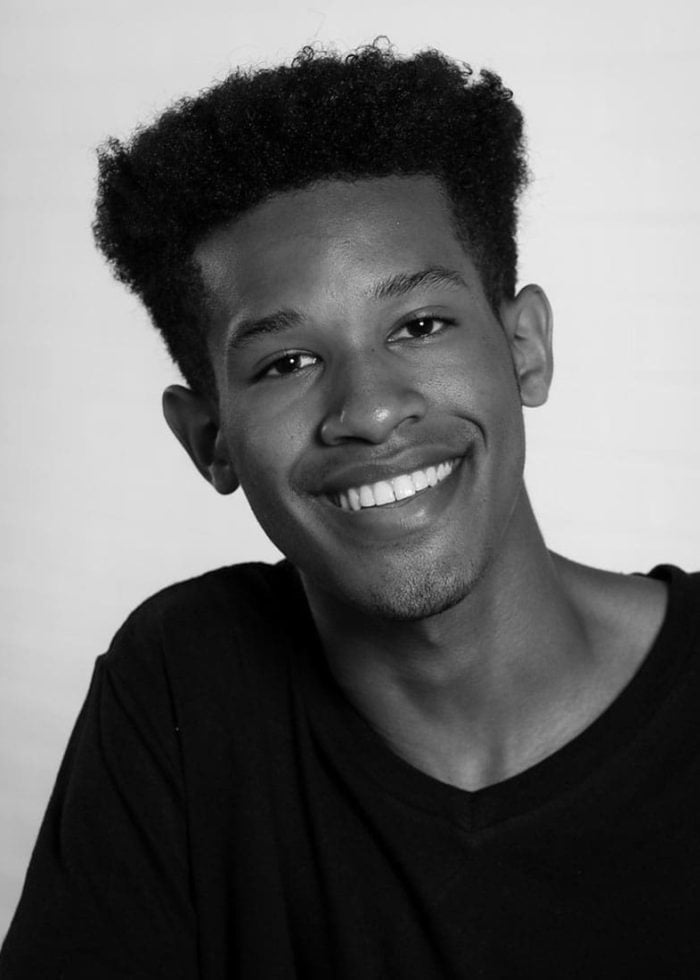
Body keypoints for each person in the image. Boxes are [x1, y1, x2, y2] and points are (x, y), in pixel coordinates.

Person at [1, 42, 698, 980]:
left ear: (524, 346)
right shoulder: (184, 687)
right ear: (209, 437)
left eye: (420, 324)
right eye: (285, 364)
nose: (369, 410)